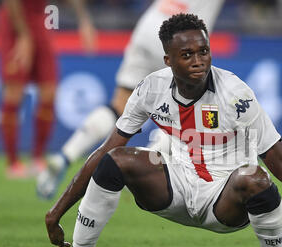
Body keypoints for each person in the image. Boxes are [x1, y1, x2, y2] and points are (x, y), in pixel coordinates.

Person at [19, 13, 282, 247]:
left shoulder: (236, 95)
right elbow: (103, 151)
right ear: (168, 61)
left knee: (256, 177)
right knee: (116, 160)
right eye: (187, 54)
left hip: (225, 201)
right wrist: (57, 211)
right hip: (173, 188)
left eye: (204, 51)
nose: (198, 60)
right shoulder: (150, 88)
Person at [36, 0, 225, 200]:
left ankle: (65, 156)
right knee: (195, 111)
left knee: (120, 104)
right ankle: (141, 169)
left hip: (149, 26)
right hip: (182, 38)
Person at [0, 0, 96, 179]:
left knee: (49, 91)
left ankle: (37, 158)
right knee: (13, 92)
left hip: (40, 21)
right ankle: (12, 163)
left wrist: (84, 20)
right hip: (14, 22)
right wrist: (23, 35)